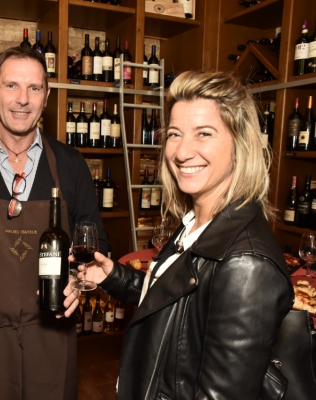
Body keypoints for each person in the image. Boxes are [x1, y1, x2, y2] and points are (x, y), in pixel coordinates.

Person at [76, 70, 294, 399]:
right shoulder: (196, 223)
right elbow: (179, 302)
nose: (181, 152)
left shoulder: (247, 265)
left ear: (240, 144)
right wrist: (113, 276)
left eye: (204, 133)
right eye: (175, 134)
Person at [0, 46, 108, 399]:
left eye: (34, 88)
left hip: (53, 332)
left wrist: (77, 281)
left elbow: (97, 245)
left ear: (47, 95)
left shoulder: (71, 165)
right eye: (11, 85)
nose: (22, 99)